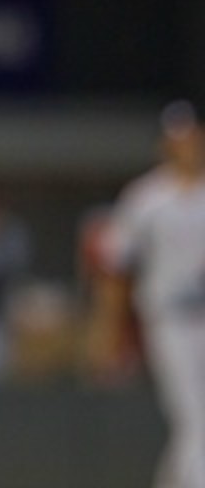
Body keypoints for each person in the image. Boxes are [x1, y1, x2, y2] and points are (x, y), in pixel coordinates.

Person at [100, 100, 205, 488]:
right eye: (177, 139)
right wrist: (113, 334)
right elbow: (115, 269)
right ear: (164, 145)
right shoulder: (146, 198)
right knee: (195, 418)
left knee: (194, 427)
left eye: (192, 136)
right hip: (170, 320)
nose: (186, 145)